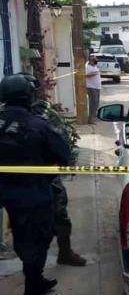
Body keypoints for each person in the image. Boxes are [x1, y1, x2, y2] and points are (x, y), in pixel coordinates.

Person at [0, 74, 72, 295]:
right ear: (28, 96)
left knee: (23, 239)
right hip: (32, 194)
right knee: (36, 241)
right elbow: (64, 154)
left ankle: (37, 281)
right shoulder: (37, 125)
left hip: (5, 192)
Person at [22, 75, 86, 266]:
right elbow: (63, 147)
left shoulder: (35, 113)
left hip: (15, 183)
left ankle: (62, 253)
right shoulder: (41, 116)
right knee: (56, 216)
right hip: (43, 181)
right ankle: (57, 256)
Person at [86, 55, 102, 123]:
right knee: (93, 102)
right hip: (91, 86)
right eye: (94, 59)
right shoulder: (87, 67)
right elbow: (86, 75)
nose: (96, 60)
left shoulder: (94, 66)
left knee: (96, 102)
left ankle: (94, 116)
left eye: (96, 59)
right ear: (90, 60)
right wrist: (94, 73)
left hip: (97, 87)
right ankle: (90, 118)